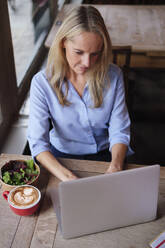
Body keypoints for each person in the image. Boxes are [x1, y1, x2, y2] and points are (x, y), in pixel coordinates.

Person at [27, 5, 132, 182]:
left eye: (95, 54)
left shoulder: (114, 76)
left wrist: (115, 166)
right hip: (60, 157)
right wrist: (68, 178)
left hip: (106, 154)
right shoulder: (42, 83)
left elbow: (119, 131)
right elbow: (38, 143)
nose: (87, 63)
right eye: (79, 52)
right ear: (63, 44)